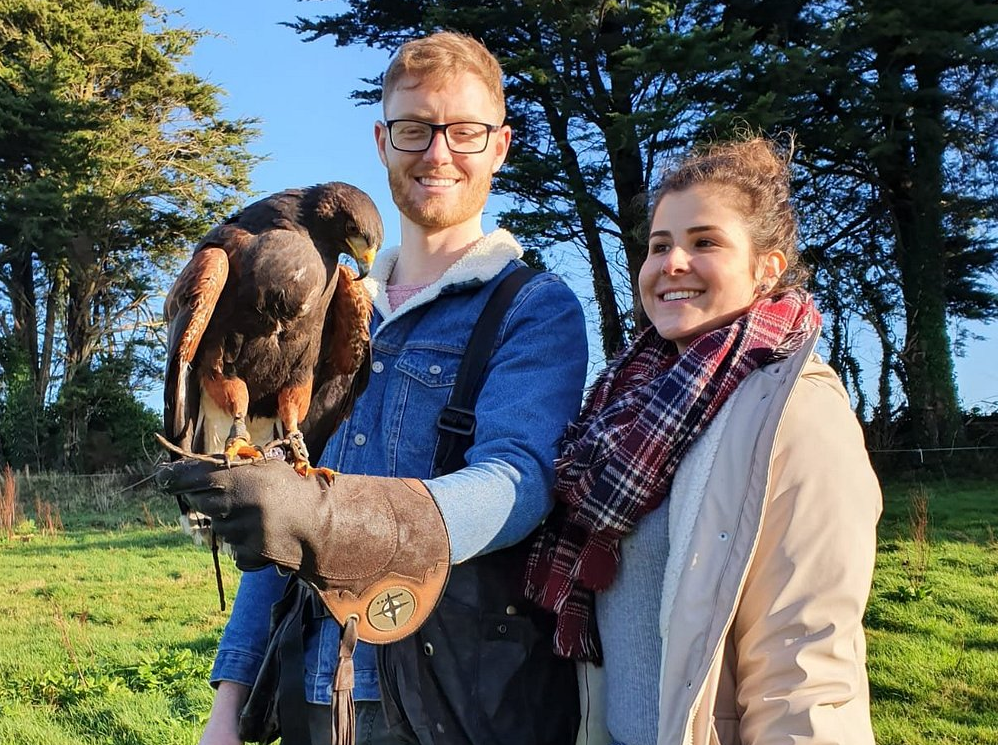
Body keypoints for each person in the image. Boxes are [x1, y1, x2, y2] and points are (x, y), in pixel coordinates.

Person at [163, 31, 587, 745]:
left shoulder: (533, 307)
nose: (438, 152)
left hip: (448, 702)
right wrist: (228, 700)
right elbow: (282, 508)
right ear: (383, 140)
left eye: (466, 132)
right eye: (415, 129)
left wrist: (339, 517)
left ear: (501, 145)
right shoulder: (336, 303)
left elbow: (518, 483)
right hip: (312, 688)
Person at [523, 138, 882, 745]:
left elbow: (806, 665)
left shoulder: (797, 411)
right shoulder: (628, 398)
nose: (673, 263)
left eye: (705, 242)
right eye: (660, 245)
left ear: (767, 268)